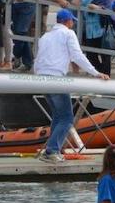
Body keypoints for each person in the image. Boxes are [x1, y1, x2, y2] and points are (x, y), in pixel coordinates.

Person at [32, 10, 110, 162]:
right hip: (56, 78)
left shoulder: (45, 36)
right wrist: (96, 73)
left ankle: (53, 149)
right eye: (72, 21)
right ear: (68, 21)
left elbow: (38, 58)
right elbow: (77, 55)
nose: (73, 23)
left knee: (58, 116)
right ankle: (52, 151)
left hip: (41, 77)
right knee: (67, 118)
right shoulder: (68, 33)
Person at [72, 0, 115, 75]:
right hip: (90, 32)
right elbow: (74, 2)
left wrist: (98, 8)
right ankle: (101, 75)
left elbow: (112, 13)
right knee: (91, 57)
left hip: (103, 31)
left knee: (105, 57)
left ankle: (106, 77)